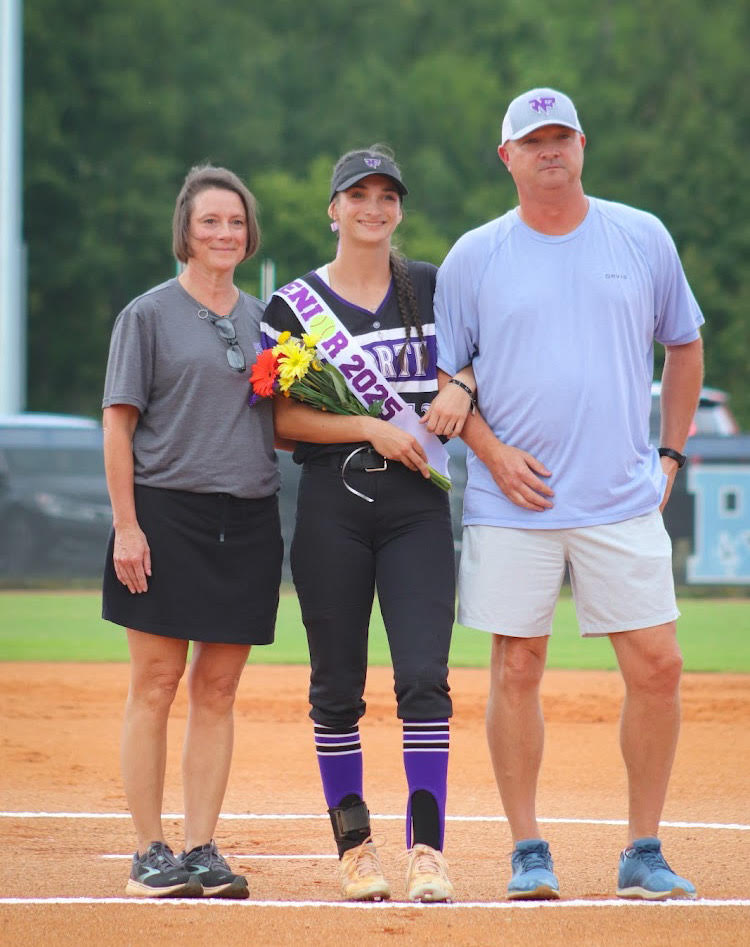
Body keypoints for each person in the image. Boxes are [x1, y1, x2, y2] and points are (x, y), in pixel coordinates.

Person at [432, 88, 703, 901]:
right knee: (517, 663)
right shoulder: (475, 255)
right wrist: (492, 452)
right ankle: (528, 849)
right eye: (533, 139)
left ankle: (643, 849)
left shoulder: (640, 234)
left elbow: (684, 344)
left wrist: (671, 455)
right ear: (507, 154)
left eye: (562, 136)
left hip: (621, 495)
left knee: (658, 665)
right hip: (514, 500)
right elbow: (448, 381)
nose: (550, 150)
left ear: (582, 144)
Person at [261, 146, 475, 902]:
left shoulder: (430, 285)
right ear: (334, 208)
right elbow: (283, 419)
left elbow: (480, 356)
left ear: (400, 210)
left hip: (417, 507)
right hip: (333, 508)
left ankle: (428, 851)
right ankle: (356, 849)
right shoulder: (293, 306)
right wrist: (368, 427)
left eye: (387, 196)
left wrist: (462, 382)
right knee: (336, 687)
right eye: (359, 195)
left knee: (423, 677)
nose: (373, 208)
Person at [101, 165, 283, 898]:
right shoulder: (146, 315)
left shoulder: (267, 320)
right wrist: (126, 525)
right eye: (210, 221)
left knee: (218, 687)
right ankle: (151, 849)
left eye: (235, 222)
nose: (224, 234)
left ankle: (203, 846)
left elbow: (287, 423)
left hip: (247, 518)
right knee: (156, 682)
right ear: (186, 229)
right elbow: (119, 424)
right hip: (165, 515)